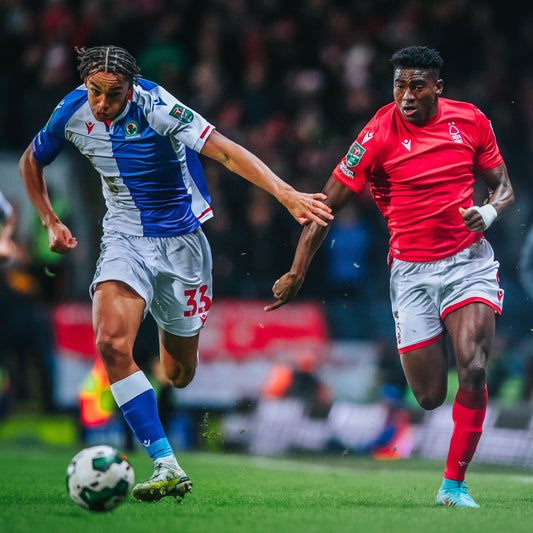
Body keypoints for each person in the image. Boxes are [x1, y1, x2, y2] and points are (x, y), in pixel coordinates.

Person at [18, 45, 333, 503]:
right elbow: (32, 159)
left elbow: (223, 151)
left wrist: (286, 195)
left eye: (113, 94)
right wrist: (49, 218)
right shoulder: (69, 112)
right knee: (110, 343)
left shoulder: (157, 105)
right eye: (95, 93)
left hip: (183, 245)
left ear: (131, 87)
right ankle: (166, 463)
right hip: (125, 237)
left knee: (178, 372)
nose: (102, 105)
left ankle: (172, 389)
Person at [266, 45, 514, 508]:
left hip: (468, 261)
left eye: (417, 85)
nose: (406, 96)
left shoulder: (471, 121)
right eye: (399, 85)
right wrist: (298, 271)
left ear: (437, 87)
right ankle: (449, 468)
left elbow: (504, 187)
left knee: (475, 369)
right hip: (412, 272)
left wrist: (487, 212)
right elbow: (325, 206)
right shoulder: (379, 132)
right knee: (429, 396)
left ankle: (453, 486)